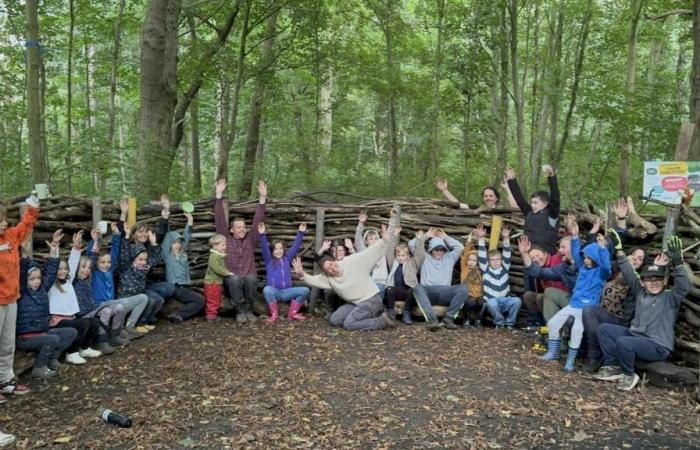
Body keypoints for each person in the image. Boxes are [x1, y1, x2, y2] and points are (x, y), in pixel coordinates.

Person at [593, 235, 689, 391]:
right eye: (649, 280)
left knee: (624, 342)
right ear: (642, 282)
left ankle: (629, 374)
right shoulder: (640, 292)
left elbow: (683, 286)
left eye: (658, 279)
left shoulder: (670, 297)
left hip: (657, 346)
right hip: (636, 337)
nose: (653, 283)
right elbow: (629, 272)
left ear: (664, 282)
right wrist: (620, 251)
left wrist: (678, 262)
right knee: (604, 329)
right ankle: (613, 366)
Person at [293, 225, 398, 331]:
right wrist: (302, 275)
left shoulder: (352, 261)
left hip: (371, 300)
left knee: (349, 324)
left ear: (335, 261)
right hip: (356, 303)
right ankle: (368, 315)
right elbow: (315, 280)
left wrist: (383, 241)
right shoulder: (329, 278)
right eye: (329, 269)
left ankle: (382, 321)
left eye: (332, 264)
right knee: (335, 320)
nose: (333, 268)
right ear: (326, 273)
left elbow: (370, 253)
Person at [540, 218, 611, 373]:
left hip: (586, 308)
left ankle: (570, 361)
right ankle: (553, 352)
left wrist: (603, 249)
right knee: (553, 323)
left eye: (588, 258)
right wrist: (575, 235)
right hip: (574, 304)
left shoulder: (600, 273)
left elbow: (606, 265)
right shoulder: (582, 267)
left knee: (577, 331)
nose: (585, 260)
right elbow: (577, 252)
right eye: (584, 257)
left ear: (595, 259)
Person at [16, 233, 78, 379]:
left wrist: (54, 252)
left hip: (42, 332)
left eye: (38, 278)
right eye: (32, 279)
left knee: (70, 332)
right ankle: (39, 367)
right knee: (52, 339)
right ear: (25, 281)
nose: (36, 281)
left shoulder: (43, 288)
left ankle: (52, 360)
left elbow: (51, 272)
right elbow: (22, 274)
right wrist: (25, 254)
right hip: (25, 337)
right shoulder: (22, 292)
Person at [581, 246, 646, 372]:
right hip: (605, 313)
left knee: (590, 311)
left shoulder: (640, 280)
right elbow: (601, 262)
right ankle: (594, 355)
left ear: (642, 264)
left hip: (621, 320)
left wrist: (628, 267)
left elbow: (632, 280)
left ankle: (594, 357)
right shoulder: (615, 271)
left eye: (639, 258)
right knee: (587, 312)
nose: (635, 259)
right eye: (633, 254)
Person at [0, 195, 37, 408]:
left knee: (7, 344)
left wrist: (33, 207)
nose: (5, 223)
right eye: (1, 220)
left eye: (5, 219)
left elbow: (25, 225)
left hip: (11, 299)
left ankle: (6, 380)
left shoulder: (11, 236)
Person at [214, 179, 267, 323]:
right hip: (232, 279)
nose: (242, 229)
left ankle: (249, 310)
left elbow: (257, 221)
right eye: (238, 227)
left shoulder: (251, 240)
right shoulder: (225, 239)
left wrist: (262, 199)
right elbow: (219, 221)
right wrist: (218, 196)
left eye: (243, 227)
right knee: (235, 278)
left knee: (251, 278)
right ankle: (240, 311)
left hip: (248, 275)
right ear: (231, 230)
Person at [86, 221, 148, 342]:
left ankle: (129, 326)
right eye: (102, 262)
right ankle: (117, 332)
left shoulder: (110, 271)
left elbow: (115, 252)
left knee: (143, 298)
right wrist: (94, 241)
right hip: (101, 305)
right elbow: (90, 258)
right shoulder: (94, 273)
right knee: (122, 302)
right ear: (97, 263)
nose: (106, 265)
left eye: (108, 262)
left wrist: (116, 234)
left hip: (115, 303)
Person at [47, 231, 103, 364]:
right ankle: (71, 353)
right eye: (60, 269)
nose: (63, 272)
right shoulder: (50, 284)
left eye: (65, 269)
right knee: (82, 323)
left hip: (70, 317)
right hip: (56, 321)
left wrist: (76, 248)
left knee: (93, 322)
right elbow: (51, 269)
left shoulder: (68, 282)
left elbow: (72, 264)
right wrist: (54, 248)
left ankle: (84, 348)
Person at [118, 195, 172, 329]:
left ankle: (148, 314)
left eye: (145, 232)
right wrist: (124, 213)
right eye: (140, 232)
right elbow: (121, 234)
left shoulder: (147, 245)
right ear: (134, 234)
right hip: (130, 285)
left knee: (168, 288)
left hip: (145, 283)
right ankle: (145, 316)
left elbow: (160, 233)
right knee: (154, 299)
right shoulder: (128, 247)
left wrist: (165, 212)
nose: (143, 235)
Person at [409, 228, 467, 331]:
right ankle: (432, 320)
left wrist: (445, 237)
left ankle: (448, 318)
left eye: (442, 249)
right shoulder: (423, 256)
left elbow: (460, 247)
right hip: (428, 292)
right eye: (437, 249)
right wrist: (426, 236)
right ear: (431, 249)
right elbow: (411, 244)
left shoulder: (450, 258)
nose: (439, 252)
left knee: (463, 289)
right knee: (417, 288)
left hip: (445, 292)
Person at [519, 235, 576, 329]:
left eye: (537, 255)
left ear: (545, 254)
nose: (535, 259)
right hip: (561, 299)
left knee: (547, 293)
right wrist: (524, 254)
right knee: (531, 295)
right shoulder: (562, 267)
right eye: (532, 258)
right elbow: (536, 272)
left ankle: (552, 330)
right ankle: (543, 325)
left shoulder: (558, 259)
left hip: (573, 300)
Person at [258, 222, 309, 323]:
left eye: (280, 248)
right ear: (272, 251)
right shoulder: (269, 260)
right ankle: (274, 314)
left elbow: (295, 247)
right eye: (276, 249)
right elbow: (264, 247)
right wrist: (262, 234)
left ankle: (293, 313)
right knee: (266, 289)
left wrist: (301, 232)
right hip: (275, 292)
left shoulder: (287, 259)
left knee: (305, 290)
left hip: (287, 292)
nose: (278, 251)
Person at [160, 211, 205, 323]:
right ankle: (177, 314)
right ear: (170, 244)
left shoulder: (182, 253)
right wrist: (165, 216)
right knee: (199, 301)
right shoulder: (167, 254)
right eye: (174, 243)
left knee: (201, 302)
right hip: (175, 287)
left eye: (179, 243)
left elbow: (186, 236)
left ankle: (178, 314)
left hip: (185, 286)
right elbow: (167, 238)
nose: (177, 245)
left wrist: (190, 220)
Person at [505, 165, 561, 255]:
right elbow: (519, 199)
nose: (532, 205)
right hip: (530, 255)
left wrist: (551, 177)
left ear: (545, 203)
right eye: (532, 202)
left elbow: (555, 197)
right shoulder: (529, 213)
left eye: (536, 203)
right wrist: (511, 181)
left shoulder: (552, 214)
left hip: (546, 256)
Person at [117, 229, 162, 334]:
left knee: (151, 301)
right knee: (145, 300)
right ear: (133, 259)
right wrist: (127, 237)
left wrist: (154, 243)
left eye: (144, 260)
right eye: (140, 260)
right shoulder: (126, 267)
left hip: (138, 297)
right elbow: (124, 254)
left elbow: (155, 259)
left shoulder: (144, 269)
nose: (143, 262)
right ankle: (125, 326)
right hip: (125, 297)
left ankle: (140, 323)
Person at [476, 224, 521, 330]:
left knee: (517, 301)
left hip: (505, 300)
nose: (495, 262)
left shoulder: (504, 268)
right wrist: (481, 238)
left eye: (497, 259)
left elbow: (507, 253)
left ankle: (510, 323)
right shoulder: (485, 269)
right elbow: (482, 254)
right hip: (492, 302)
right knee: (491, 302)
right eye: (492, 260)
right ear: (488, 261)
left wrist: (506, 238)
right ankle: (500, 323)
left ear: (501, 261)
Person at [386, 228, 425, 325]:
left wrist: (420, 239)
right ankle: (391, 311)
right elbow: (389, 250)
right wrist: (395, 235)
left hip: (407, 290)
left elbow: (420, 254)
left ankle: (406, 314)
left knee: (412, 291)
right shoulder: (393, 263)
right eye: (398, 255)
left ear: (408, 256)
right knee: (389, 289)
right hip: (397, 290)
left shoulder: (413, 263)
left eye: (403, 255)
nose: (401, 257)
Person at [435, 178, 518, 211]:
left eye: (491, 196)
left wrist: (507, 189)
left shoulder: (502, 210)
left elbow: (515, 208)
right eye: (485, 196)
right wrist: (445, 191)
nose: (488, 198)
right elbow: (457, 204)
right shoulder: (476, 208)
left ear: (496, 198)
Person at [203, 234, 233, 322]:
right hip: (212, 283)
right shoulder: (214, 256)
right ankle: (211, 316)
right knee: (213, 299)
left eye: (225, 244)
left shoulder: (218, 255)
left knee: (215, 298)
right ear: (215, 246)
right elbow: (217, 268)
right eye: (222, 245)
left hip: (215, 282)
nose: (225, 247)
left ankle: (210, 314)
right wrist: (227, 273)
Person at [459, 236, 485, 329]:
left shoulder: (480, 270)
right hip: (467, 294)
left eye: (474, 260)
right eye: (469, 260)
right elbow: (465, 255)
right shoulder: (465, 268)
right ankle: (466, 319)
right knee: (470, 302)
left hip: (478, 294)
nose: (471, 262)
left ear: (478, 262)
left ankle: (478, 319)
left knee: (482, 302)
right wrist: (469, 242)